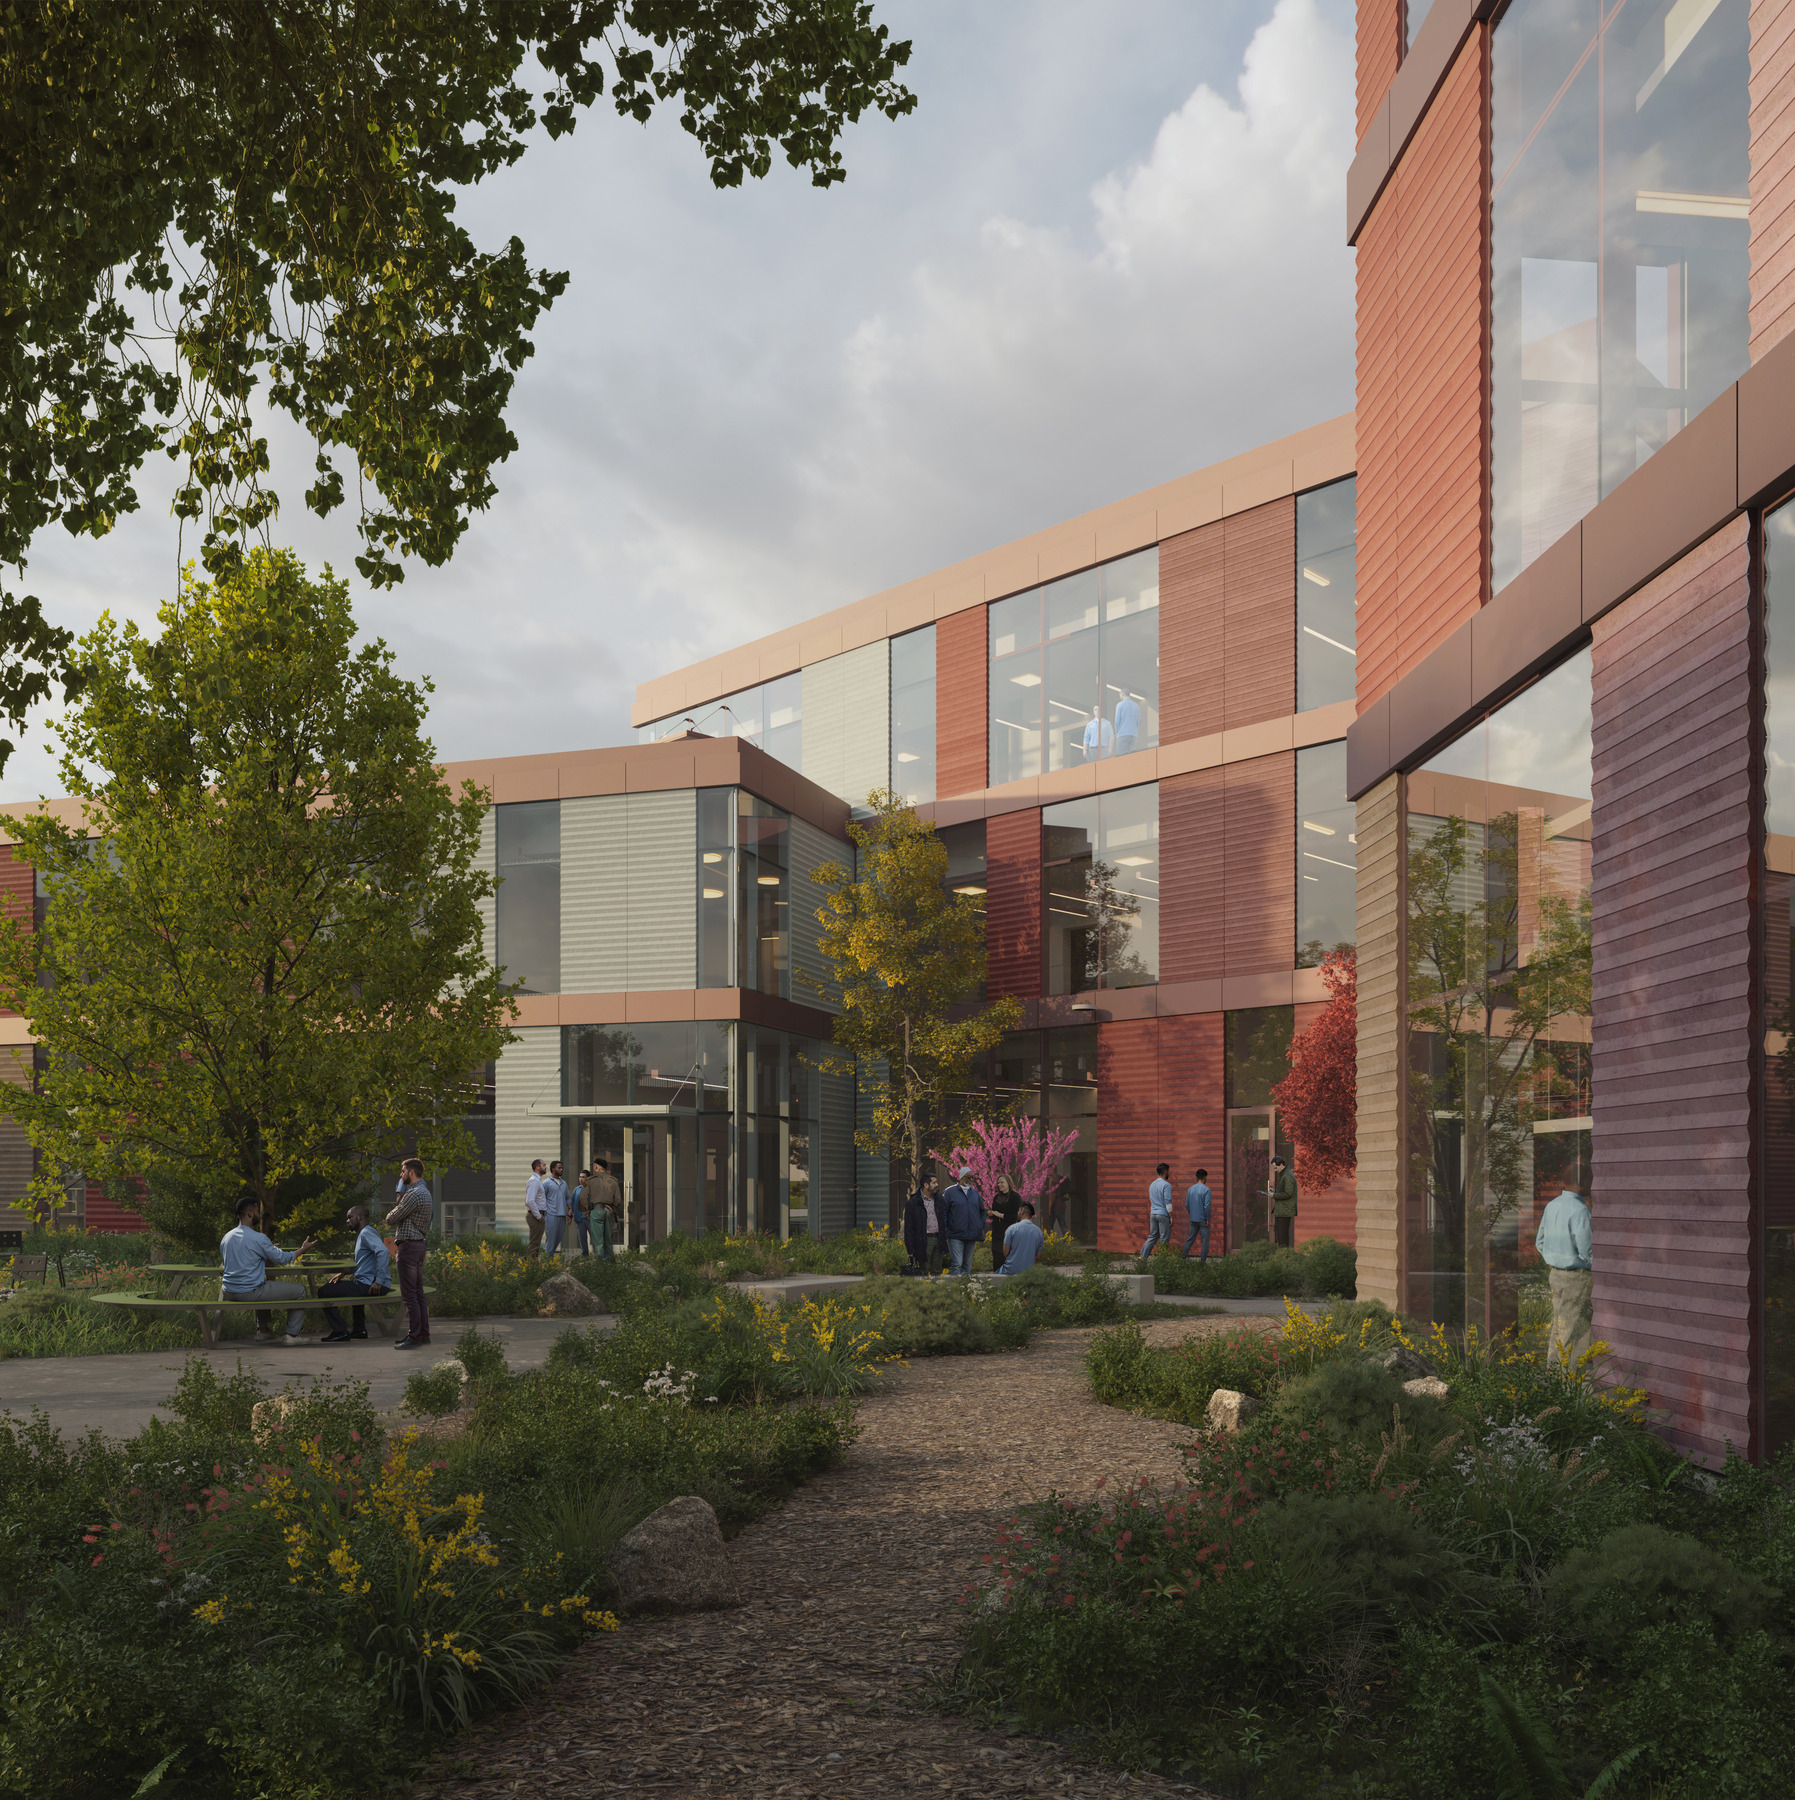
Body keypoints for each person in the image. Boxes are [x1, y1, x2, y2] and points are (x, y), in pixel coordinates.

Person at [219, 1197, 318, 1344]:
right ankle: (292, 1335)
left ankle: (263, 1331)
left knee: (261, 1285)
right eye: (257, 1211)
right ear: (250, 1213)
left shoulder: (226, 1237)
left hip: (228, 1291)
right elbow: (282, 1258)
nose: (259, 1214)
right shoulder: (258, 1238)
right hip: (249, 1293)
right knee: (300, 1290)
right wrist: (302, 1249)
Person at [1535, 1175, 1594, 1368]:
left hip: (1556, 1274)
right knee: (1573, 1330)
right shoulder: (1580, 1210)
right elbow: (1586, 1250)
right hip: (1575, 1276)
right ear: (1581, 1183)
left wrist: (1554, 1259)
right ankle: (1568, 1382)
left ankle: (1553, 1378)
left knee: (1559, 1327)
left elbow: (1539, 1242)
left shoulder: (1552, 1205)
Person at [316, 1203, 391, 1342]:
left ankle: (340, 1331)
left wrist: (378, 1281)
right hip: (368, 1282)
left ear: (360, 1216)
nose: (347, 1220)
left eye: (350, 1217)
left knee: (324, 1291)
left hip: (374, 1285)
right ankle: (359, 1330)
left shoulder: (366, 1232)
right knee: (354, 1285)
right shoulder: (363, 1234)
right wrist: (344, 1273)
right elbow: (365, 1263)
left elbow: (383, 1251)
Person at [387, 1156, 434, 1349]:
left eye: (403, 1171)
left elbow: (391, 1218)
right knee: (418, 1293)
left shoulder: (413, 1194)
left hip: (408, 1247)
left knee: (409, 1295)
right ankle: (422, 1334)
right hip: (419, 1245)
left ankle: (414, 1337)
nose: (401, 1174)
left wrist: (399, 1197)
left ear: (411, 1173)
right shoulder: (425, 1192)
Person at [942, 1168, 987, 1276]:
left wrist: (979, 1225)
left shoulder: (975, 1194)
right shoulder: (950, 1192)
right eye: (968, 1177)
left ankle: (965, 1289)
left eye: (972, 1177)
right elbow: (943, 1211)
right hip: (955, 1234)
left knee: (967, 1264)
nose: (971, 1180)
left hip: (972, 1234)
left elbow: (982, 1211)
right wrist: (947, 1226)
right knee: (957, 1263)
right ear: (961, 1177)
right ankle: (954, 1290)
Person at [999, 1200, 1046, 1275]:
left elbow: (1005, 1253)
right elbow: (1037, 1257)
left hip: (1010, 1270)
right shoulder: (1039, 1232)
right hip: (1028, 1272)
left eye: (1018, 1211)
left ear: (1022, 1211)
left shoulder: (1011, 1229)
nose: (1017, 1213)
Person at [988, 1173, 1022, 1276]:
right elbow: (995, 1214)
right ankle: (997, 1282)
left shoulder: (1016, 1197)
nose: (999, 1184)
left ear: (1008, 1183)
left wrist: (1000, 1215)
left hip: (1010, 1234)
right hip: (997, 1233)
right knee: (997, 1259)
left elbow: (1016, 1217)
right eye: (998, 1182)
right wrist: (991, 1214)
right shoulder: (996, 1197)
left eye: (1002, 1182)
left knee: (1009, 1260)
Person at [590, 1155, 622, 1259]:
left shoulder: (590, 1180)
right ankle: (609, 1264)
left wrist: (586, 1209)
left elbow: (582, 1198)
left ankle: (600, 1265)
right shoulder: (613, 1180)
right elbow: (618, 1199)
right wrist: (613, 1207)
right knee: (608, 1239)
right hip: (609, 1211)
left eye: (593, 1167)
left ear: (596, 1168)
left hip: (596, 1210)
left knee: (598, 1240)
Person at [1140, 1162, 1174, 1258]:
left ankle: (1142, 1257)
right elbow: (1167, 1202)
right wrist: (1171, 1216)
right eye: (1168, 1171)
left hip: (1153, 1214)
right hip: (1163, 1214)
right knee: (1164, 1238)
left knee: (1152, 1236)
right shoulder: (1166, 1185)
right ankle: (1161, 1260)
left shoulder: (1152, 1184)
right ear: (1165, 1171)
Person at [903, 1178, 932, 1275]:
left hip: (931, 1240)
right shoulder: (913, 1203)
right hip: (919, 1244)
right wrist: (910, 1249)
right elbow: (909, 1229)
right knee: (923, 1271)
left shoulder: (935, 1201)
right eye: (933, 1183)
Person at [542, 1160, 571, 1257]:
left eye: (562, 1168)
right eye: (559, 1168)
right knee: (551, 1239)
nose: (561, 1169)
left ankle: (548, 1258)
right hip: (551, 1215)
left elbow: (567, 1198)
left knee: (558, 1239)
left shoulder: (564, 1183)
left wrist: (570, 1211)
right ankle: (547, 1262)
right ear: (553, 1169)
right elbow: (541, 1199)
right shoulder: (546, 1183)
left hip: (562, 1215)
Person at [1183, 1168, 1212, 1262]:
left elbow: (1187, 1204)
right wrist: (1207, 1218)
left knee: (1190, 1239)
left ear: (1196, 1177)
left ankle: (1182, 1258)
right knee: (1205, 1242)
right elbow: (1207, 1206)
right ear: (1205, 1177)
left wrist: (1192, 1214)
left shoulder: (1190, 1189)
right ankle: (1202, 1263)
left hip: (1193, 1219)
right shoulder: (1206, 1189)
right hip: (1203, 1219)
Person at [1269, 1156, 1298, 1249]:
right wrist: (1275, 1192)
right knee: (1282, 1238)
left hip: (1285, 1211)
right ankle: (1283, 1257)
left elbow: (1288, 1193)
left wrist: (1274, 1195)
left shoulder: (1288, 1176)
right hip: (1282, 1211)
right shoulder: (1285, 1175)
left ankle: (1284, 1258)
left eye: (1275, 1167)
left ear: (1281, 1165)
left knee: (1283, 1238)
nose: (1274, 1170)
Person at [524, 1159, 548, 1253]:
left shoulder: (537, 1181)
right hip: (535, 1216)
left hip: (537, 1216)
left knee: (535, 1244)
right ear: (537, 1167)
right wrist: (538, 1216)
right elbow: (529, 1201)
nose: (546, 1167)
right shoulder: (534, 1181)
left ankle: (531, 1265)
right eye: (544, 1165)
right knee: (534, 1244)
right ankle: (530, 1265)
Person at [570, 1170, 594, 1257]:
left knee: (595, 1238)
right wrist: (570, 1215)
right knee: (582, 1239)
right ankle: (585, 1256)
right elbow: (573, 1204)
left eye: (583, 1177)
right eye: (580, 1177)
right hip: (579, 1219)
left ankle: (599, 1256)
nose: (581, 1179)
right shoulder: (576, 1190)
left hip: (590, 1219)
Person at [1114, 691, 1142, 757]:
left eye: (1120, 695)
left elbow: (1117, 721)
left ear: (1122, 694)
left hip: (1122, 734)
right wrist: (1136, 732)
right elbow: (1138, 721)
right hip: (1133, 735)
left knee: (1122, 757)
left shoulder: (1120, 705)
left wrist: (1117, 732)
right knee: (1133, 757)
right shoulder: (1136, 706)